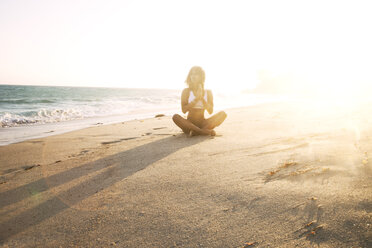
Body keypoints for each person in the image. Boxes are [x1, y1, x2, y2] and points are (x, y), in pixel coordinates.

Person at [172, 66, 227, 136]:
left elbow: (210, 111)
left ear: (201, 76)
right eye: (192, 74)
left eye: (196, 74)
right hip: (189, 124)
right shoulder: (186, 91)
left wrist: (201, 98)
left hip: (203, 123)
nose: (193, 76)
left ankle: (196, 131)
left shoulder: (208, 92)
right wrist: (196, 99)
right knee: (175, 117)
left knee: (223, 114)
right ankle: (201, 131)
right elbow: (184, 110)